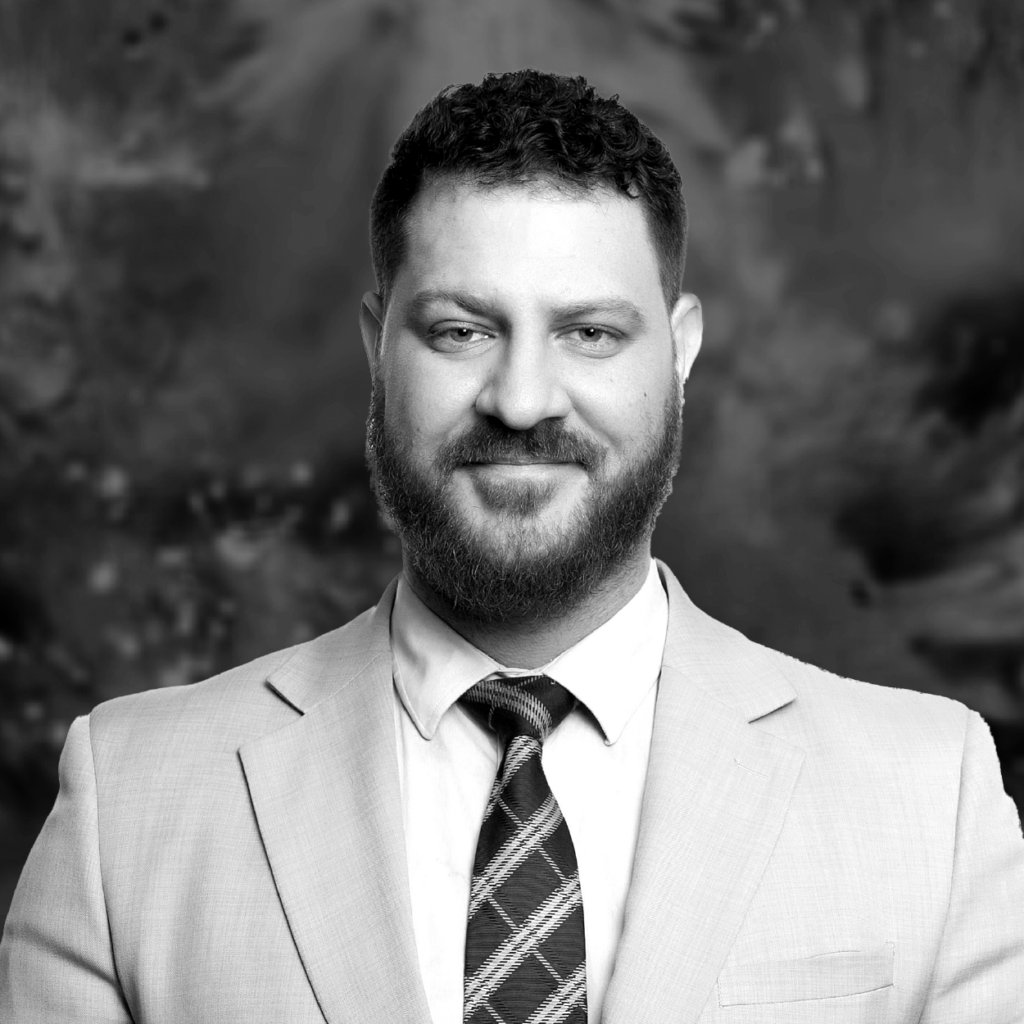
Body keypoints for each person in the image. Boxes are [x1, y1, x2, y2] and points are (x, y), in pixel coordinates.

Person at [2, 69, 1023, 1024]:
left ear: (681, 351)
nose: (523, 400)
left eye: (589, 332)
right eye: (459, 331)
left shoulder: (930, 795)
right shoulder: (127, 805)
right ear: (376, 344)